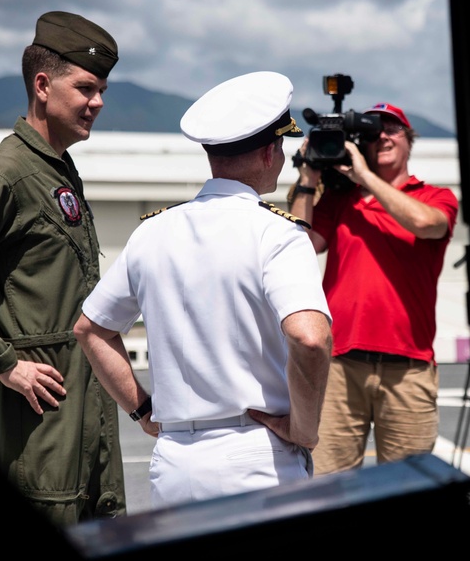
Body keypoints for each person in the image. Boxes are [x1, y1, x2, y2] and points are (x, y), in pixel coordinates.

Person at [73, 71, 333, 509]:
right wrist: (303, 431)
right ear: (271, 152)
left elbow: (90, 329)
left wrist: (141, 410)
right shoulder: (277, 234)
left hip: (175, 460)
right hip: (257, 455)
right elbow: (310, 336)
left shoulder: (153, 233)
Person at [0, 11, 126, 528]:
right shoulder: (3, 174)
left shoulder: (56, 169)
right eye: (86, 88)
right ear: (42, 85)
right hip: (35, 426)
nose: (98, 102)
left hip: (81, 412)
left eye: (101, 89)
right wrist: (2, 362)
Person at [288, 102, 459, 474]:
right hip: (338, 365)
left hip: (408, 368)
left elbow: (425, 224)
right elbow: (297, 246)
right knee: (328, 488)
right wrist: (309, 177)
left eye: (393, 129)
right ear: (359, 145)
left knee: (409, 490)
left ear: (409, 141)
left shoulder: (434, 196)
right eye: (372, 131)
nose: (382, 136)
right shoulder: (339, 199)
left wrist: (364, 178)